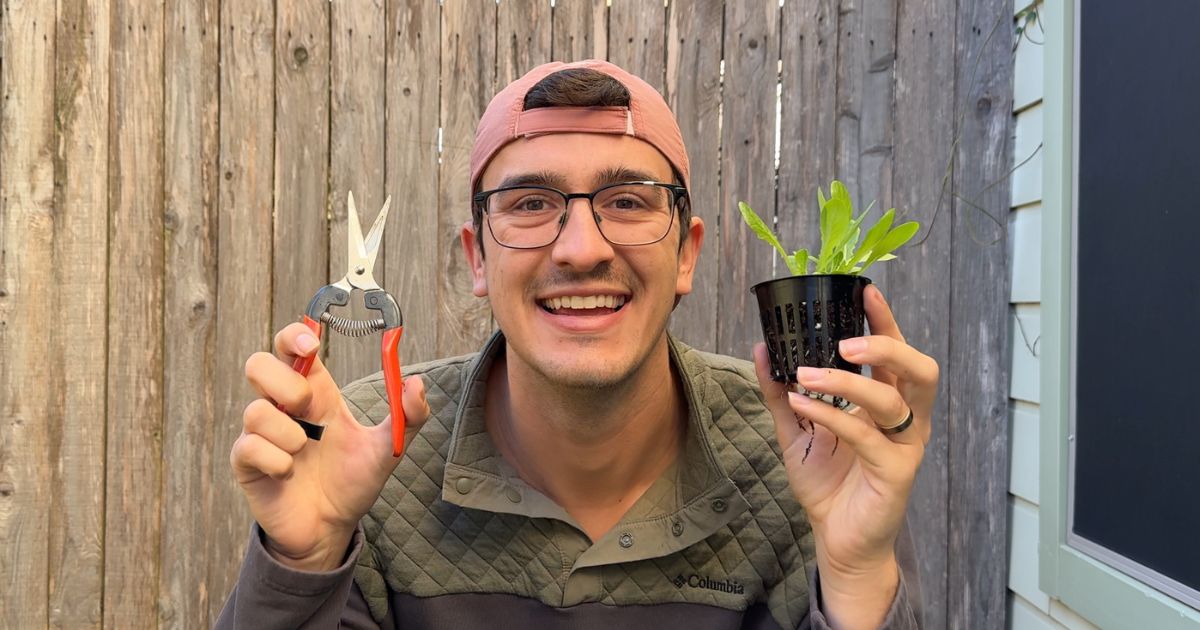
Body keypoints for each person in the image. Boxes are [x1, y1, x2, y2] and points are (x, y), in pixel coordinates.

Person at [217, 59, 937, 630]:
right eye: (532, 204)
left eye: (626, 201)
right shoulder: (368, 451)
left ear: (686, 254)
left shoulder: (806, 455)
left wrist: (857, 577)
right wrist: (301, 564)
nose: (582, 249)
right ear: (477, 259)